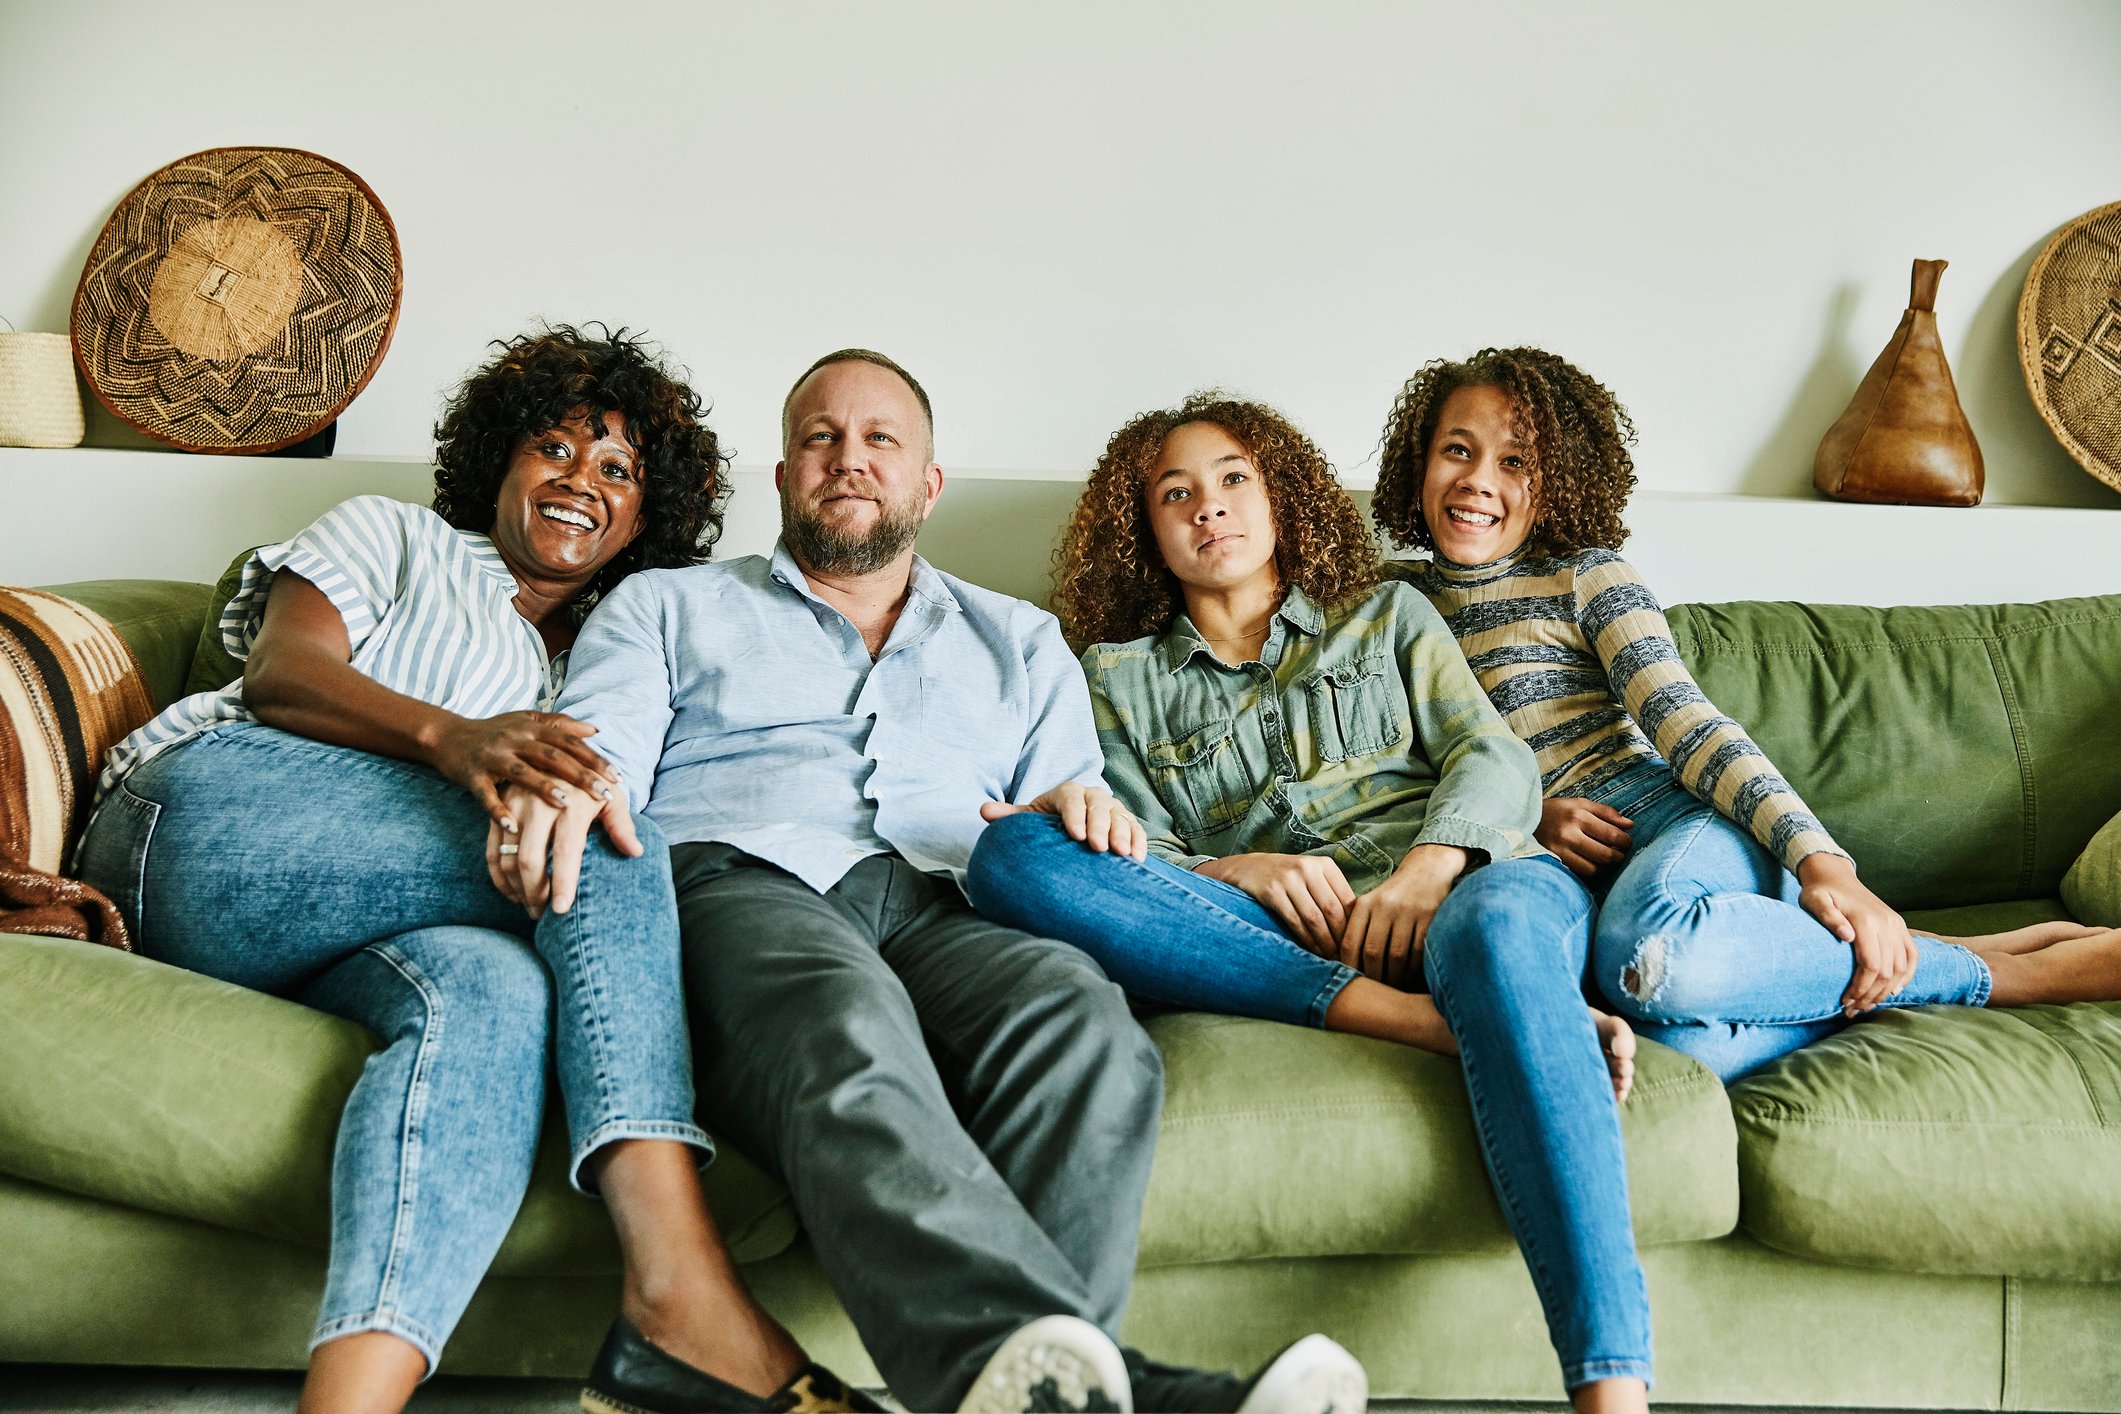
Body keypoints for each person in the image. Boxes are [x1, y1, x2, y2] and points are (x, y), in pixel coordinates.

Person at [490, 350, 1367, 1414]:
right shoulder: (666, 607)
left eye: (880, 440)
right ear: (784, 476)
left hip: (953, 903)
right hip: (744, 883)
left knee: (1083, 1022)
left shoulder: (1023, 639)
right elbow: (597, 759)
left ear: (928, 481)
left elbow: (1074, 812)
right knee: (841, 1015)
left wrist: (1082, 812)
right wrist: (563, 793)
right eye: (820, 438)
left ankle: (1050, 1396)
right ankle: (1081, 1395)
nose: (848, 459)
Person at [77, 328, 871, 1414]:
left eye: (617, 469)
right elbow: (282, 672)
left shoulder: (604, 661)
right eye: (555, 447)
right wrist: (456, 740)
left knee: (494, 993)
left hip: (364, 925)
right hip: (202, 819)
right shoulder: (397, 536)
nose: (581, 480)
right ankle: (681, 1293)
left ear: (643, 515)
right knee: (599, 831)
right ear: (500, 461)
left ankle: (350, 1400)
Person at [965, 394, 1653, 1412]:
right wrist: (1238, 870)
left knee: (1501, 930)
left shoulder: (1388, 614)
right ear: (1143, 529)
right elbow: (1140, 857)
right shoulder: (1110, 678)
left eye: (1233, 478)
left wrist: (1426, 870)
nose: (1209, 506)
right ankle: (1446, 1022)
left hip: (1466, 890)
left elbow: (1493, 756)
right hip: (1284, 936)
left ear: (1282, 495)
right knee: (1014, 852)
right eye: (1175, 494)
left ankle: (1612, 1396)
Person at [1369, 346, 2121, 1083]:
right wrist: (1521, 819)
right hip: (1565, 883)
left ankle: (1982, 975)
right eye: (1457, 450)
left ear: (1558, 479)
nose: (1477, 480)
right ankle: (1847, 964)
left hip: (1674, 825)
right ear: (1418, 461)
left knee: (1650, 951)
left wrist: (1824, 867)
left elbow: (1690, 727)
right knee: (1669, 1050)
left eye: (1515, 461)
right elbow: (1384, 782)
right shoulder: (1385, 611)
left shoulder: (1584, 575)